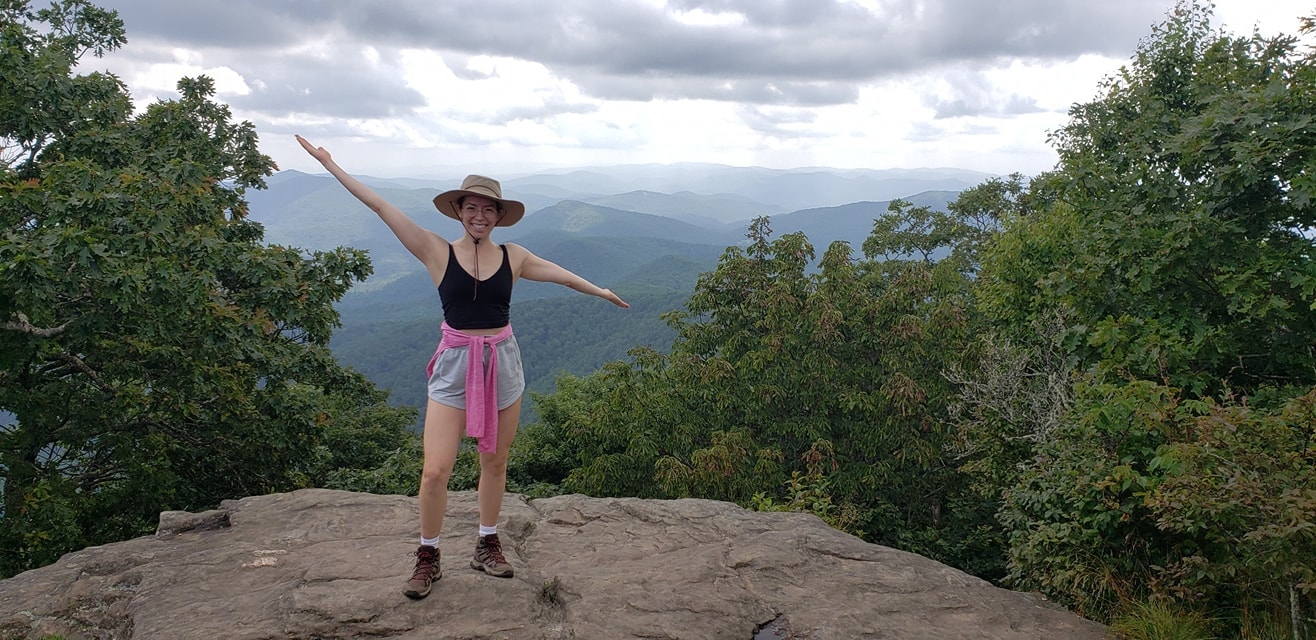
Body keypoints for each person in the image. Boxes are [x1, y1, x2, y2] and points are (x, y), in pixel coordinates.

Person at [296, 135, 629, 600]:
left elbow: (563, 275)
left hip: (503, 364)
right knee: (435, 470)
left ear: (498, 215)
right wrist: (330, 163)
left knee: (494, 461)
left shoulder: (513, 257)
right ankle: (428, 555)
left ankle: (487, 543)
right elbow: (379, 206)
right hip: (454, 367)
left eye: (488, 209)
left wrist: (602, 291)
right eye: (471, 208)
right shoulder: (436, 251)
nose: (479, 216)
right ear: (459, 210)